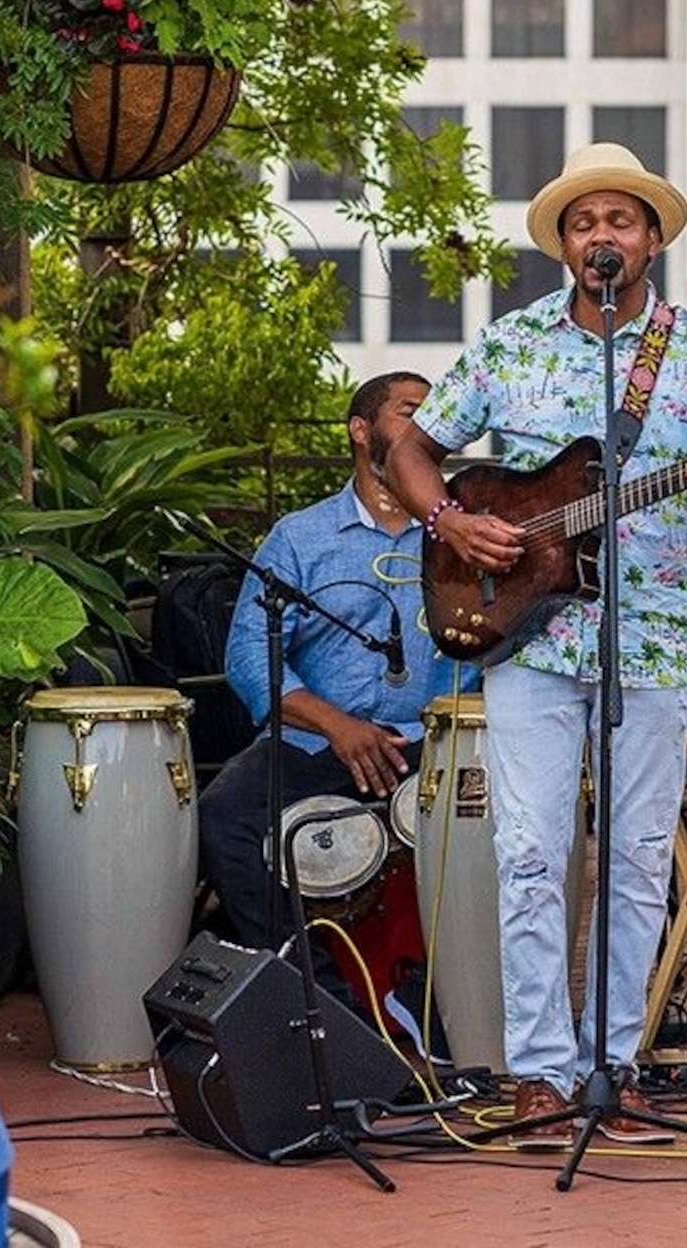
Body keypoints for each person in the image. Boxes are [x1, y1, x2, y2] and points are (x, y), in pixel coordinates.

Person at [384, 141, 687, 1150]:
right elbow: (412, 447)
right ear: (563, 242)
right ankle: (541, 1070)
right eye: (584, 221)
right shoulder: (506, 346)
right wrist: (452, 526)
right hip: (533, 642)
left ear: (652, 239)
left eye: (621, 219)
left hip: (651, 642)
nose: (603, 235)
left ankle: (613, 1062)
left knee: (637, 859)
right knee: (530, 853)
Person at [198, 371, 455, 1010]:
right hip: (317, 745)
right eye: (410, 412)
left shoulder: (463, 533)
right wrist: (338, 726)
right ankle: (329, 1011)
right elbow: (251, 655)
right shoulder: (299, 538)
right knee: (227, 818)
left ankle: (457, 1007)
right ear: (360, 430)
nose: (429, 428)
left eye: (438, 416)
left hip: (434, 747)